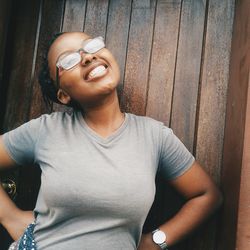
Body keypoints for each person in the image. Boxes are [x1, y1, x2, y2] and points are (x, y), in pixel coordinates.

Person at [0, 31, 222, 250]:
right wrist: (11, 217)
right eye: (68, 60)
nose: (88, 57)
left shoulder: (155, 137)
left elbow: (206, 195)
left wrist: (156, 241)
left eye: (91, 46)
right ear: (63, 95)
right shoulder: (46, 130)